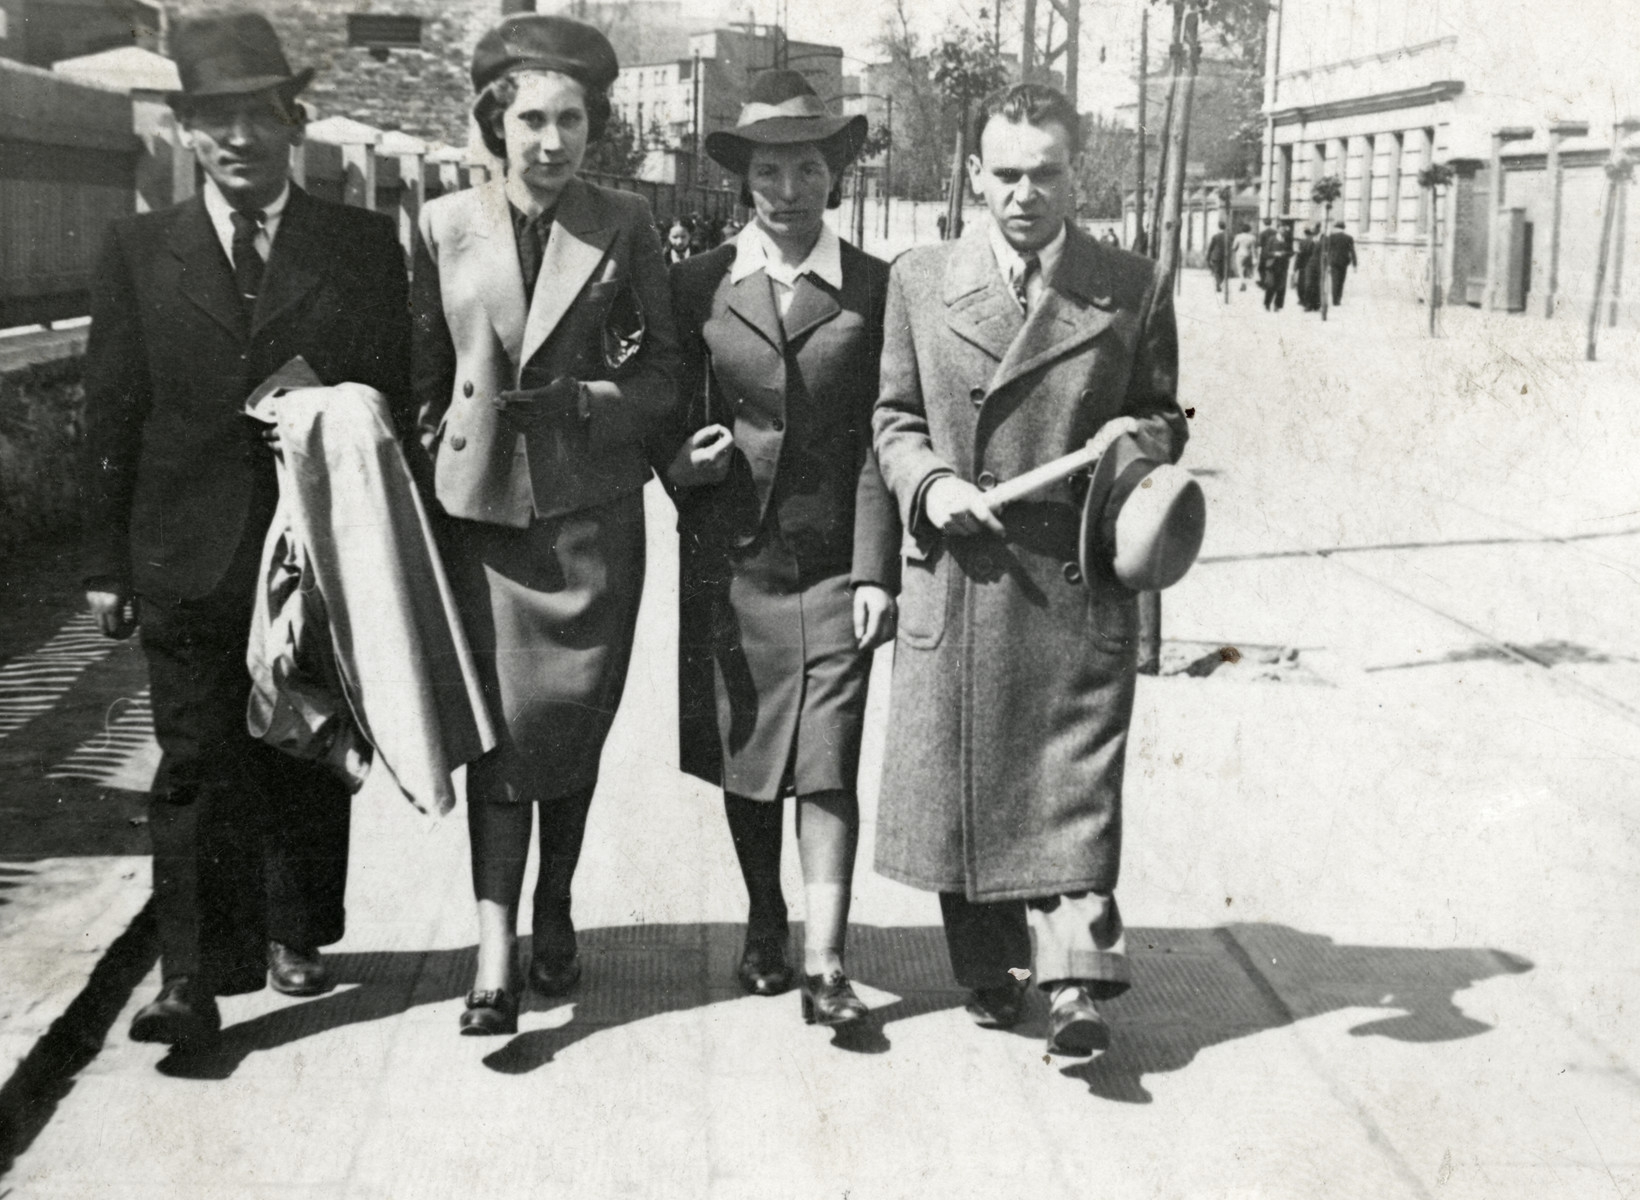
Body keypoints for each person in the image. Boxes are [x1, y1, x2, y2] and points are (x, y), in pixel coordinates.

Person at [79, 12, 412, 1048]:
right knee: (192, 760)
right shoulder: (137, 250)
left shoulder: (356, 247)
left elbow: (392, 394)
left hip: (309, 550)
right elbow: (112, 409)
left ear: (293, 123)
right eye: (214, 121)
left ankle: (298, 926)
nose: (237, 139)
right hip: (183, 547)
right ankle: (194, 974)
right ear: (185, 133)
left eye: (256, 117)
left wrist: (326, 400)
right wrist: (106, 564)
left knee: (302, 744)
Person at [871, 83, 1188, 1057]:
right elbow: (892, 420)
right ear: (972, 176)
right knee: (966, 788)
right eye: (1003, 174)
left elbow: (1166, 415)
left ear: (1072, 174)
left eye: (1043, 173)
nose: (1022, 193)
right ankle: (989, 967)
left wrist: (1143, 435)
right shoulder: (919, 278)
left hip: (1071, 581)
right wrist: (927, 485)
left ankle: (1075, 987)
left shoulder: (1128, 286)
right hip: (961, 574)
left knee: (1067, 785)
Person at [411, 14, 680, 1035]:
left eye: (571, 120)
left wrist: (595, 404)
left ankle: (555, 907)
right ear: (495, 121)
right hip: (482, 526)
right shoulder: (441, 226)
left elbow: (664, 376)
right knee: (499, 739)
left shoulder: (627, 222)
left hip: (588, 526)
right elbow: (421, 380)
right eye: (530, 119)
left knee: (569, 730)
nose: (550, 141)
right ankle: (493, 954)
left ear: (593, 127)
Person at [663, 70, 900, 1028]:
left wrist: (879, 572)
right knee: (751, 754)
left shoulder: (878, 288)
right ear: (746, 178)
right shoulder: (698, 285)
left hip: (836, 561)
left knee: (829, 757)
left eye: (808, 168)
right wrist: (676, 461)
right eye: (770, 170)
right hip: (733, 560)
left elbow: (890, 437)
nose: (789, 190)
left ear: (836, 174)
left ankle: (827, 961)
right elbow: (665, 409)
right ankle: (766, 917)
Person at [1260, 221, 1292, 311]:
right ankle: (1267, 303)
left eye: (1284, 229)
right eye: (1281, 228)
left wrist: (1286, 253)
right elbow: (1265, 252)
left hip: (1283, 265)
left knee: (1281, 287)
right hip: (1272, 266)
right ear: (1277, 229)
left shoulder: (1287, 239)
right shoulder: (1271, 239)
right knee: (1271, 285)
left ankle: (1277, 305)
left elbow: (1291, 251)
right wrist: (1275, 254)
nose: (1283, 230)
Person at [1327, 220, 1357, 306]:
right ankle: (1338, 299)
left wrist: (1327, 263)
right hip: (1344, 262)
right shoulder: (1349, 238)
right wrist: (1354, 264)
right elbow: (1352, 251)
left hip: (1333, 262)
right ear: (1344, 228)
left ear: (1336, 228)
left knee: (1334, 281)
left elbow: (1328, 251)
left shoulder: (1331, 237)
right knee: (1341, 281)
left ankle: (1335, 300)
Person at [1232, 222, 1256, 291]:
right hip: (1248, 254)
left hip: (1240, 254)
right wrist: (1254, 257)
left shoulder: (1238, 236)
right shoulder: (1252, 237)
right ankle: (1244, 282)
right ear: (1249, 229)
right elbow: (1253, 248)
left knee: (1240, 270)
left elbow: (1234, 247)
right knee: (1246, 269)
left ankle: (1243, 283)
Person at [1205, 219, 1228, 288]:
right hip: (1225, 256)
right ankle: (1220, 283)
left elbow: (1210, 247)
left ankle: (1218, 283)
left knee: (1217, 271)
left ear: (1218, 227)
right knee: (1223, 271)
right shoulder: (1228, 236)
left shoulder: (1215, 236)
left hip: (1216, 256)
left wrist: (1208, 256)